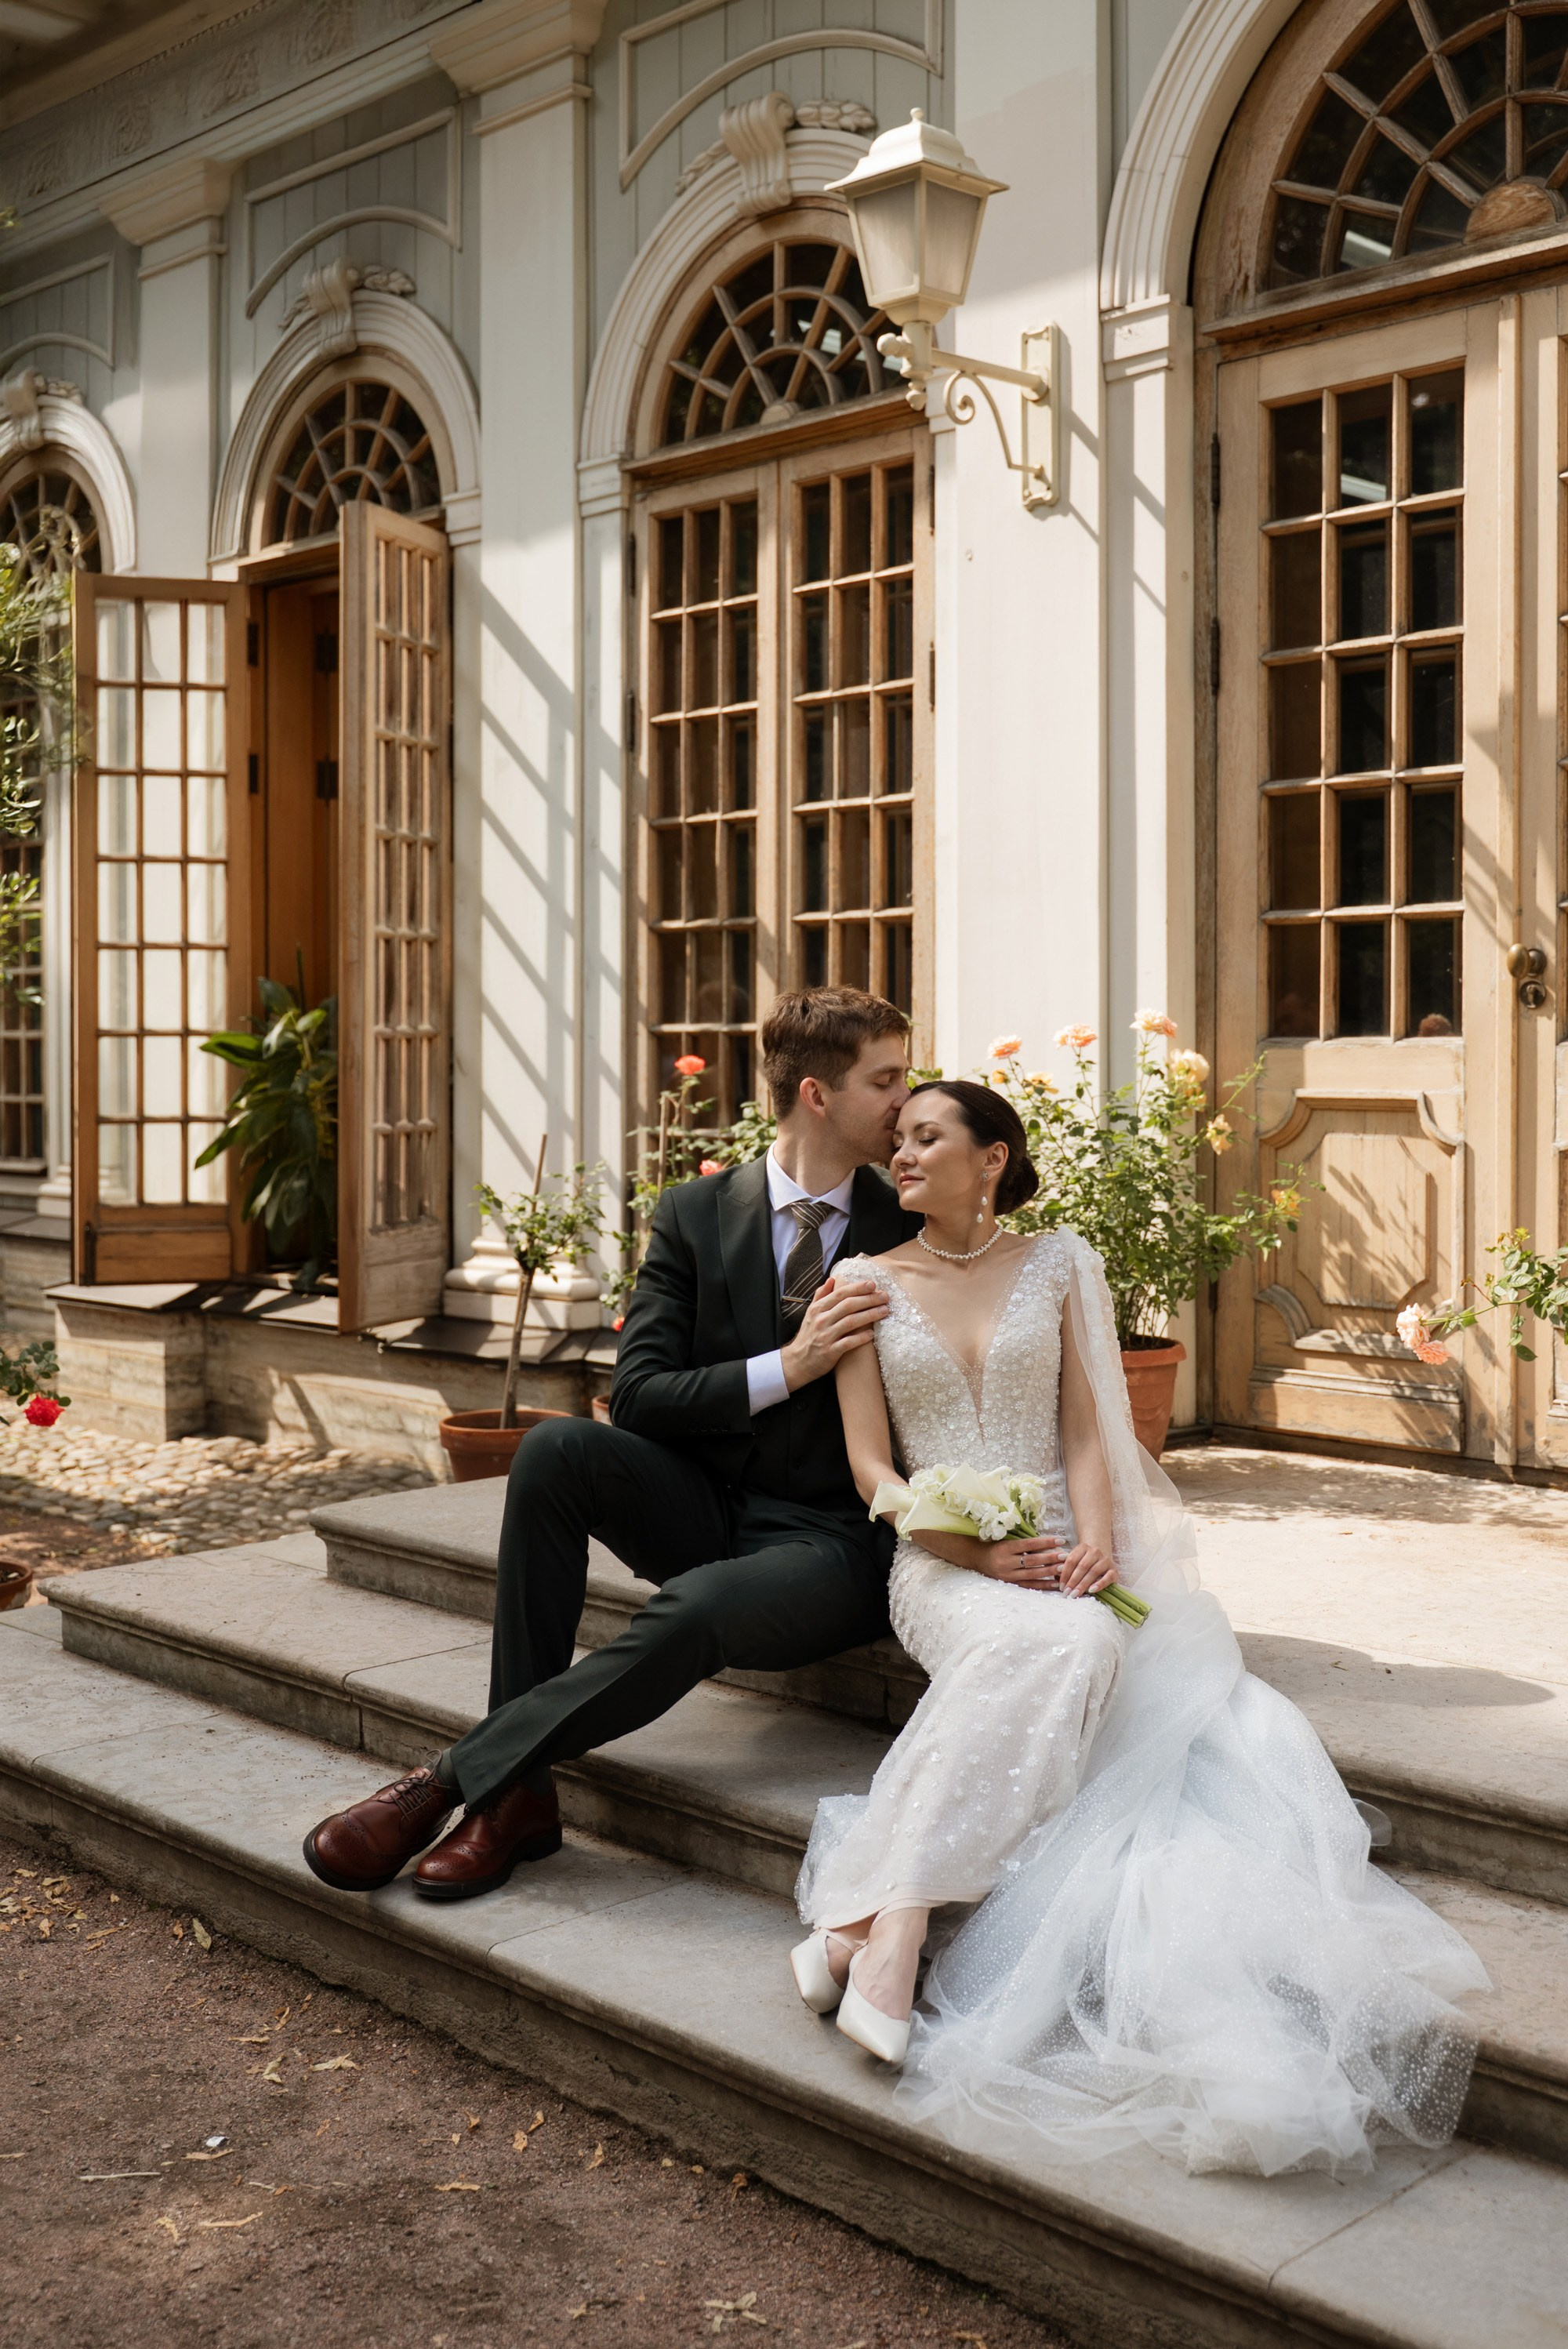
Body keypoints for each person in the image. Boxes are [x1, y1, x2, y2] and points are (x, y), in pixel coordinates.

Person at [790, 1079, 1488, 2178]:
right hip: (940, 1567)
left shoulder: (1061, 1263)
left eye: (929, 1138)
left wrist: (1099, 1543)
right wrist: (966, 1548)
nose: (903, 1157)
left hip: (1070, 1550)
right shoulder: (863, 1283)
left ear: (993, 1158)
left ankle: (868, 1927)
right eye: (898, 1141)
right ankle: (900, 1931)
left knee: (1080, 1632)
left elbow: (1085, 1429)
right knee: (1056, 1648)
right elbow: (873, 1469)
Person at [303, 986, 920, 1902]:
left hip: (832, 1541)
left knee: (701, 1602)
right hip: (710, 1507)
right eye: (888, 1080)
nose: (907, 1104)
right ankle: (519, 1796)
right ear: (816, 1095)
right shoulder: (692, 1213)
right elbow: (636, 1397)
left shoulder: (910, 1219)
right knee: (554, 1452)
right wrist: (786, 1366)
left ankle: (463, 1781)